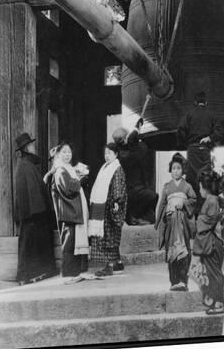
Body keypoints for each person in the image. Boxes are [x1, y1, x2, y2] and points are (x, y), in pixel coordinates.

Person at [14, 132, 57, 285]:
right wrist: (41, 210)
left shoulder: (26, 164)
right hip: (33, 213)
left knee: (31, 243)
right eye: (31, 145)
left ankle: (33, 274)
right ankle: (26, 276)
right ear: (26, 148)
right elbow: (32, 191)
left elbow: (36, 186)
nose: (34, 147)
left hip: (32, 212)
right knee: (30, 244)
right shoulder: (26, 165)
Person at [43, 142, 90, 284]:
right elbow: (68, 188)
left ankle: (75, 272)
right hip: (67, 211)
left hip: (71, 211)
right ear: (58, 155)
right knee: (69, 243)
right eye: (64, 152)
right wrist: (80, 180)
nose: (67, 155)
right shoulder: (60, 170)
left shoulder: (68, 169)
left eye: (69, 152)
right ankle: (69, 274)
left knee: (73, 242)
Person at [155, 153, 197, 292]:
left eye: (179, 168)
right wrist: (157, 220)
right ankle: (174, 281)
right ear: (170, 170)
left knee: (183, 248)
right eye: (174, 168)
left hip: (183, 221)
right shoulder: (167, 187)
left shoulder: (187, 186)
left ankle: (183, 281)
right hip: (169, 221)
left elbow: (194, 200)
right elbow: (162, 204)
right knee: (170, 249)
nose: (176, 171)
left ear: (183, 170)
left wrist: (183, 203)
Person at [176, 91, 223, 206]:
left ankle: (193, 210)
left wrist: (187, 143)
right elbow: (219, 131)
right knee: (205, 179)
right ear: (206, 102)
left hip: (192, 150)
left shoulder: (189, 114)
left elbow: (180, 130)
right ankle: (206, 208)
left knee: (192, 180)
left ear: (195, 102)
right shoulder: (211, 115)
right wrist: (210, 138)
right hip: (205, 151)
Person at [190, 170, 224, 315]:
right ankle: (215, 302)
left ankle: (219, 303)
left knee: (215, 274)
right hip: (213, 243)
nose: (199, 190)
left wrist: (197, 221)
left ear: (205, 187)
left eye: (200, 187)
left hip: (212, 244)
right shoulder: (215, 200)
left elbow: (206, 223)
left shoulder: (211, 201)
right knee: (212, 273)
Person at [89, 142, 127, 277]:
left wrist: (117, 201)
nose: (106, 156)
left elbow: (118, 186)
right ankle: (117, 264)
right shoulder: (105, 167)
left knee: (109, 237)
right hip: (104, 207)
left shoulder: (117, 169)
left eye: (109, 153)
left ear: (116, 154)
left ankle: (110, 266)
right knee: (109, 236)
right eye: (105, 153)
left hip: (111, 207)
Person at [113, 118, 158, 225]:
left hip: (134, 188)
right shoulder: (127, 155)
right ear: (124, 140)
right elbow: (132, 140)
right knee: (153, 197)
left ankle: (136, 216)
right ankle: (134, 216)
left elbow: (131, 140)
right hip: (133, 190)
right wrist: (137, 128)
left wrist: (136, 127)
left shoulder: (121, 152)